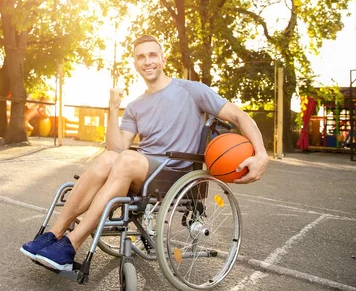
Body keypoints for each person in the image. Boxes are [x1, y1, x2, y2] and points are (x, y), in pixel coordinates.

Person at [20, 34, 268, 271]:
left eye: (152, 55)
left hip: (175, 173)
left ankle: (71, 244)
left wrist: (261, 155)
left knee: (125, 159)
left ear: (163, 60)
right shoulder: (136, 106)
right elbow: (115, 149)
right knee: (109, 157)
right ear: (136, 63)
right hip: (140, 171)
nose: (147, 61)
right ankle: (54, 233)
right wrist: (114, 108)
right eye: (141, 57)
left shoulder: (192, 90)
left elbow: (239, 116)